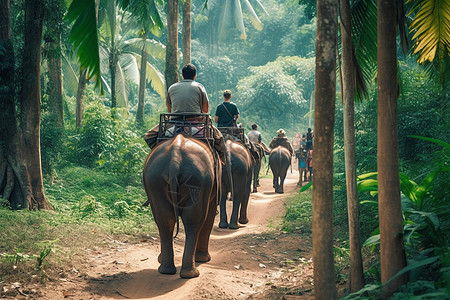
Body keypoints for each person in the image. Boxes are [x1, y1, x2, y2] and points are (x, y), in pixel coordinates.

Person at [143, 63, 226, 163]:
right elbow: (205, 110)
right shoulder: (200, 87)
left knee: (149, 135)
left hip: (174, 124)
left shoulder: (172, 87)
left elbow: (170, 110)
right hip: (197, 123)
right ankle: (222, 160)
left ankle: (156, 155)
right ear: (195, 75)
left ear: (182, 75)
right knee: (219, 138)